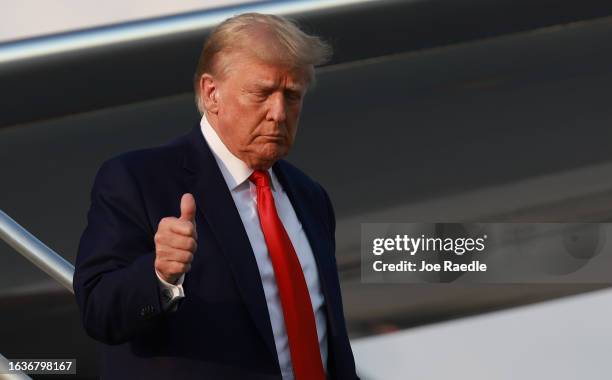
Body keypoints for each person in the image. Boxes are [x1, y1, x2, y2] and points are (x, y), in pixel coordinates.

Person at [73, 12, 359, 380]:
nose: (278, 113)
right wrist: (159, 275)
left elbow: (327, 336)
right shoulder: (138, 180)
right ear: (212, 93)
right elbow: (98, 312)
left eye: (291, 95)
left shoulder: (310, 197)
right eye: (262, 93)